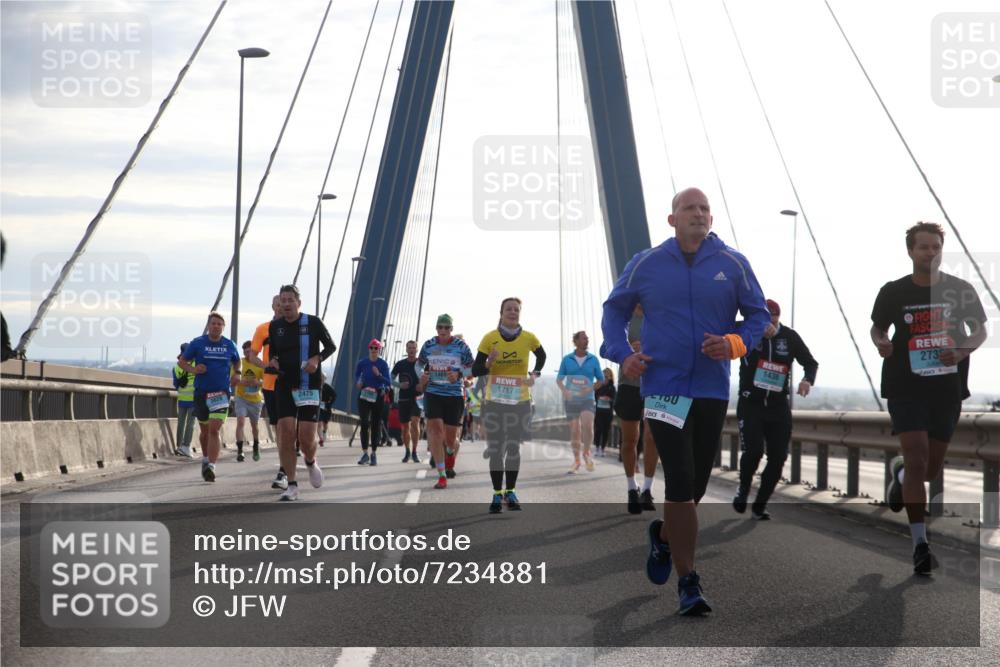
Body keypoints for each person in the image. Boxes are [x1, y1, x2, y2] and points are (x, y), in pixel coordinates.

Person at [601, 187, 769, 616]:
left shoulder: (732, 264)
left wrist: (733, 343)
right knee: (678, 477)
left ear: (711, 218)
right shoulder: (647, 263)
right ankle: (688, 582)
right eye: (689, 208)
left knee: (694, 487)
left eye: (704, 208)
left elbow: (758, 316)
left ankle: (663, 537)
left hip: (711, 387)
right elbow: (614, 310)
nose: (698, 213)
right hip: (663, 385)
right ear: (672, 219)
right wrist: (622, 354)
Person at [871, 222, 987, 575]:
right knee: (918, 457)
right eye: (923, 247)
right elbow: (878, 327)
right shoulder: (893, 291)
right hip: (906, 387)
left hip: (946, 389)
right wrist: (881, 342)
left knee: (930, 469)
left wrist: (962, 351)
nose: (931, 253)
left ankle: (900, 472)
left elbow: (980, 331)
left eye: (936, 246)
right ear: (910, 251)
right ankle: (920, 545)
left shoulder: (960, 290)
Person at [733, 299, 818, 520]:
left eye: (774, 318)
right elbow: (723, 326)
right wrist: (755, 327)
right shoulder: (748, 331)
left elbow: (810, 362)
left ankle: (760, 505)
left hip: (778, 406)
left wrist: (807, 380)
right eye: (765, 318)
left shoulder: (789, 337)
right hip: (751, 404)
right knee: (753, 452)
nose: (770, 323)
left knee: (778, 457)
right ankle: (743, 488)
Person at [471, 297, 546, 513]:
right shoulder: (490, 338)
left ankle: (510, 491)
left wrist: (535, 374)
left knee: (513, 447)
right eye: (509, 309)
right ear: (501, 313)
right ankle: (497, 494)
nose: (513, 312)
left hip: (519, 401)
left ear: (519, 313)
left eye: (516, 309)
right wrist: (489, 363)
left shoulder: (529, 337)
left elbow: (542, 356)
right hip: (494, 402)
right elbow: (476, 370)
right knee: (496, 449)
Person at [267, 284, 337, 501]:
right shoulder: (275, 326)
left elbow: (330, 347)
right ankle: (292, 485)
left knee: (306, 438)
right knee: (285, 432)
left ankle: (310, 461)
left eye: (291, 300)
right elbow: (274, 353)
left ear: (298, 303)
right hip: (285, 384)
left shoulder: (313, 322)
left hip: (309, 385)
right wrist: (273, 361)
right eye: (283, 300)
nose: (287, 304)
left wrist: (316, 359)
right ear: (279, 304)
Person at [178, 312, 242, 482]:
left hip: (221, 393)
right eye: (213, 323)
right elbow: (182, 362)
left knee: (214, 429)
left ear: (223, 327)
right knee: (205, 431)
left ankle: (212, 466)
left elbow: (237, 361)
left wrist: (238, 373)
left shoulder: (229, 344)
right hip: (201, 392)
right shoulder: (198, 343)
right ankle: (206, 459)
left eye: (219, 324)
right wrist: (194, 370)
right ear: (208, 325)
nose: (216, 326)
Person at [418, 314, 475, 489]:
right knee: (435, 431)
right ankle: (442, 475)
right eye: (440, 327)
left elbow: (472, 369)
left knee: (450, 439)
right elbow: (418, 365)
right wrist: (421, 376)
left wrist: (459, 374)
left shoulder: (461, 347)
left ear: (451, 329)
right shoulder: (428, 345)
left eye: (446, 327)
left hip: (454, 396)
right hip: (433, 393)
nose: (443, 330)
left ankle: (450, 451)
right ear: (436, 328)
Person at [615, 309, 660, 515]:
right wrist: (626, 351)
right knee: (630, 440)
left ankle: (648, 489)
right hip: (629, 386)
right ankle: (632, 488)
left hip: (656, 385)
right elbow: (605, 347)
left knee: (651, 437)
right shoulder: (623, 317)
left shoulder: (660, 314)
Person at [249, 295, 289, 490]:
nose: (281, 307)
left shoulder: (296, 328)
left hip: (292, 385)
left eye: (284, 303)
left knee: (288, 428)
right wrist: (267, 366)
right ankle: (284, 469)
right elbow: (252, 356)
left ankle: (286, 468)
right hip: (270, 385)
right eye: (278, 304)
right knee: (279, 429)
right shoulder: (263, 329)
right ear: (273, 306)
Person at [557, 331, 606, 473]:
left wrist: (590, 388)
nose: (587, 340)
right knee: (575, 430)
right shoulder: (567, 359)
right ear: (576, 341)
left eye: (587, 338)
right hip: (571, 400)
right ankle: (576, 461)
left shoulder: (593, 359)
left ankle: (586, 452)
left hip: (587, 399)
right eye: (584, 338)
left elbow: (601, 380)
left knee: (588, 425)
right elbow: (559, 380)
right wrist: (565, 391)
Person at [355, 339, 392, 466]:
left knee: (375, 424)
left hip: (378, 395)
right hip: (364, 394)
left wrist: (379, 375)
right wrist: (358, 382)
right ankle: (365, 453)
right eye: (371, 347)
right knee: (364, 423)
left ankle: (374, 453)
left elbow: (388, 382)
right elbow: (357, 375)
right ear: (368, 349)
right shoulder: (362, 363)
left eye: (376, 348)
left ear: (379, 350)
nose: (373, 350)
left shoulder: (383, 364)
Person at [234, 340, 265, 462]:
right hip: (241, 397)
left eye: (249, 351)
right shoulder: (239, 363)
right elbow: (233, 379)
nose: (247, 354)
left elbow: (267, 381)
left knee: (254, 425)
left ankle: (256, 446)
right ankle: (240, 450)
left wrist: (258, 383)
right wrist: (242, 382)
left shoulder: (260, 364)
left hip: (255, 400)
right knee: (240, 421)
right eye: (245, 352)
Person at [392, 340, 422, 463]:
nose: (411, 350)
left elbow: (429, 377)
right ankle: (407, 451)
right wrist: (399, 385)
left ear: (417, 349)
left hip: (417, 398)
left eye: (414, 348)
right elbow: (390, 379)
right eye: (409, 348)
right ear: (406, 349)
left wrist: (422, 385)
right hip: (403, 398)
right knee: (405, 428)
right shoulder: (400, 364)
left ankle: (414, 451)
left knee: (415, 422)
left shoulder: (421, 364)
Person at [172, 342, 196, 458]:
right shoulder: (196, 364)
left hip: (182, 398)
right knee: (190, 424)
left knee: (181, 423)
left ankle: (178, 446)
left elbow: (176, 384)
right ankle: (186, 447)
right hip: (194, 399)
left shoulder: (177, 367)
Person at [594, 368, 616, 456]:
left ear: (610, 377)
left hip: (608, 412)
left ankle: (602, 449)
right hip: (599, 411)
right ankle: (597, 448)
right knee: (598, 429)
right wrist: (599, 398)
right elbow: (595, 397)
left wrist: (609, 399)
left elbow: (614, 399)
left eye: (606, 376)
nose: (604, 378)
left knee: (606, 430)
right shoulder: (598, 386)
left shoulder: (612, 387)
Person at [318, 375, 336, 447]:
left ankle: (324, 432)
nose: (321, 379)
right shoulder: (316, 386)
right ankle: (321, 439)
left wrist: (329, 403)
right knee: (319, 424)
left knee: (325, 423)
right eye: (320, 378)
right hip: (318, 407)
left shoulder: (328, 387)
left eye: (323, 378)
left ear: (324, 379)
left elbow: (334, 395)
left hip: (326, 408)